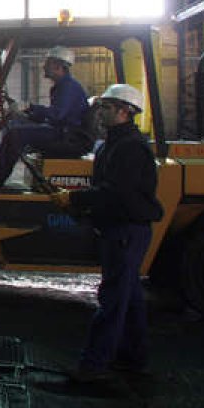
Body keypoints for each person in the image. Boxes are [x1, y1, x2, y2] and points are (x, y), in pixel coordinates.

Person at [50, 83, 163, 383]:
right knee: (131, 298)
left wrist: (74, 198)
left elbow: (115, 193)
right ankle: (133, 359)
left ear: (126, 111)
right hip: (120, 228)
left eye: (108, 108)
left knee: (113, 299)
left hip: (125, 231)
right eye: (102, 107)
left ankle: (93, 367)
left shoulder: (129, 148)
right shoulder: (114, 143)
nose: (101, 112)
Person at [0, 46, 89, 187]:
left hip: (68, 135)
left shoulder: (68, 86)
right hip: (62, 131)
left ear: (58, 66)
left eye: (47, 63)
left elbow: (57, 115)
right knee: (16, 128)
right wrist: (27, 113)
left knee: (16, 135)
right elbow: (52, 116)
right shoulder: (62, 85)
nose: (44, 67)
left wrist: (30, 107)